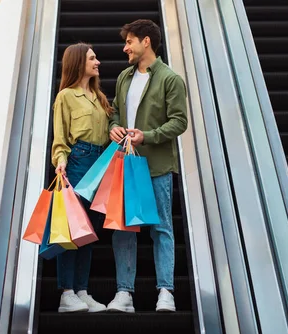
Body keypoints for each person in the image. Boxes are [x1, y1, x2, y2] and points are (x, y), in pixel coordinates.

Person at [106, 19, 188, 313]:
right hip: (126, 166)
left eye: (129, 41)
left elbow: (180, 121)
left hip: (157, 166)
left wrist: (148, 136)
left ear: (146, 42)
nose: (125, 47)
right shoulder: (124, 78)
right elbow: (115, 113)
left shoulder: (170, 79)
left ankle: (165, 292)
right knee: (123, 229)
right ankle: (124, 294)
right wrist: (113, 127)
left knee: (161, 229)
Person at [51, 42, 113, 313]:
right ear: (79, 62)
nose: (97, 62)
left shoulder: (99, 97)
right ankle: (67, 293)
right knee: (71, 229)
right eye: (92, 58)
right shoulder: (66, 96)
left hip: (101, 164)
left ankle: (82, 290)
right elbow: (60, 137)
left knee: (89, 232)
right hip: (77, 161)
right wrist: (61, 162)